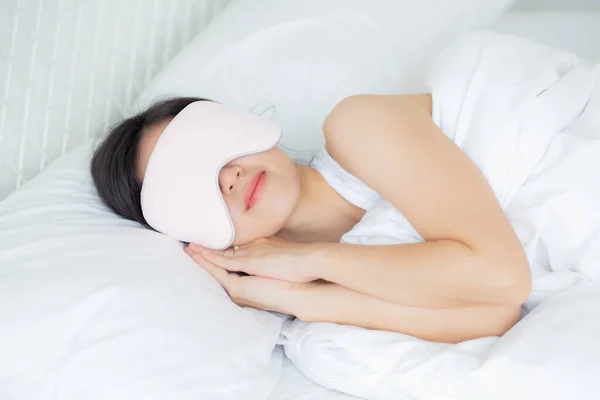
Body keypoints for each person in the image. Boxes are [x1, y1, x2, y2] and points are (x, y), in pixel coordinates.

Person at [90, 94, 531, 344]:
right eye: (192, 186)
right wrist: (298, 298)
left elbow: (505, 278)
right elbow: (498, 316)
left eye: (213, 148)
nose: (230, 176)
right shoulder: (313, 295)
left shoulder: (359, 125)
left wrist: (316, 261)